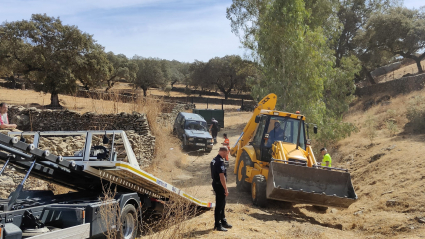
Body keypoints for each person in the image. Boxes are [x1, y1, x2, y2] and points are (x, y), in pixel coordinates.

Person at [210, 146, 232, 231]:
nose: (227, 155)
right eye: (226, 153)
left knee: (222, 203)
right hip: (219, 185)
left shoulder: (214, 160)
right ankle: (217, 225)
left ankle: (223, 221)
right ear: (223, 152)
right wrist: (226, 189)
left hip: (216, 184)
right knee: (219, 205)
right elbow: (221, 176)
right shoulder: (220, 161)